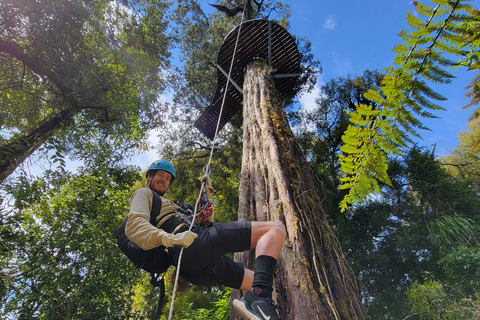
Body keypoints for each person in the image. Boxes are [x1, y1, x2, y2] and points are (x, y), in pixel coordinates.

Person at [125, 160, 286, 320]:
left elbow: (205, 219)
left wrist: (206, 191)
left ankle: (267, 313)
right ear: (149, 177)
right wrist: (170, 238)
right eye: (160, 175)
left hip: (197, 262)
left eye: (168, 178)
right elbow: (135, 225)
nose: (164, 180)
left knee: (267, 289)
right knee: (274, 229)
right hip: (192, 245)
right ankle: (258, 298)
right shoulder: (144, 194)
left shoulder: (174, 206)